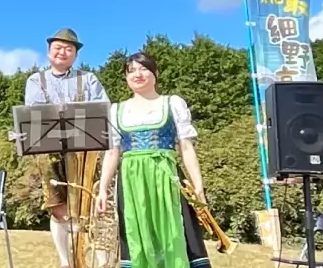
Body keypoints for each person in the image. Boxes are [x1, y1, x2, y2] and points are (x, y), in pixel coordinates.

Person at [95, 52, 212, 268]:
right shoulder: (117, 110)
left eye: (143, 69)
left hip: (166, 177)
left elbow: (185, 147)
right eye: (131, 71)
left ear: (155, 73)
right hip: (131, 181)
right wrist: (103, 189)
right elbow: (112, 152)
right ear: (125, 78)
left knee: (178, 230)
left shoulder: (172, 103)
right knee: (136, 232)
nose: (137, 75)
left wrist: (198, 186)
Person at [23, 27, 110, 268]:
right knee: (57, 207)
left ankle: (94, 258)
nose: (62, 52)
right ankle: (65, 261)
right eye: (58, 48)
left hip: (84, 150)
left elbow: (102, 109)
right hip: (50, 151)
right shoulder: (35, 80)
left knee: (89, 206)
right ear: (49, 51)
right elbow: (34, 115)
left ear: (75, 54)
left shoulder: (89, 79)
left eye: (68, 49)